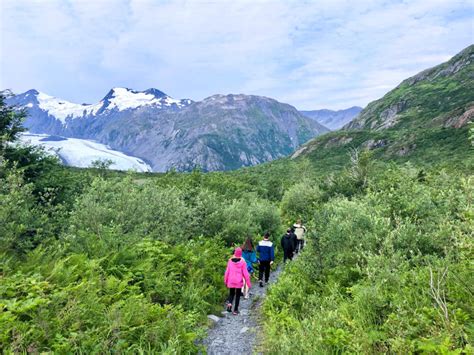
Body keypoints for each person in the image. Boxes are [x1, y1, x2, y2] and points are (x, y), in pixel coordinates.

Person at [224, 247, 251, 315]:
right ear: (241, 254)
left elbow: (227, 272)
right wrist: (248, 283)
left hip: (231, 280)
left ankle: (229, 305)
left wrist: (225, 280)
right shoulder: (243, 262)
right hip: (238, 281)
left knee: (231, 293)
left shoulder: (230, 261)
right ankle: (235, 310)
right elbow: (246, 274)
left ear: (235, 253)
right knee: (238, 295)